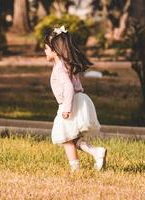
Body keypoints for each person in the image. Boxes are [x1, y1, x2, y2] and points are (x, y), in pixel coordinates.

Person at [44, 25, 107, 172]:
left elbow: (69, 88)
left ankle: (75, 169)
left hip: (70, 103)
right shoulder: (67, 64)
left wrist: (66, 108)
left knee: (66, 138)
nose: (44, 52)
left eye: (46, 49)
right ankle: (97, 152)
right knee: (72, 138)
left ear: (55, 50)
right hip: (79, 100)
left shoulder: (60, 67)